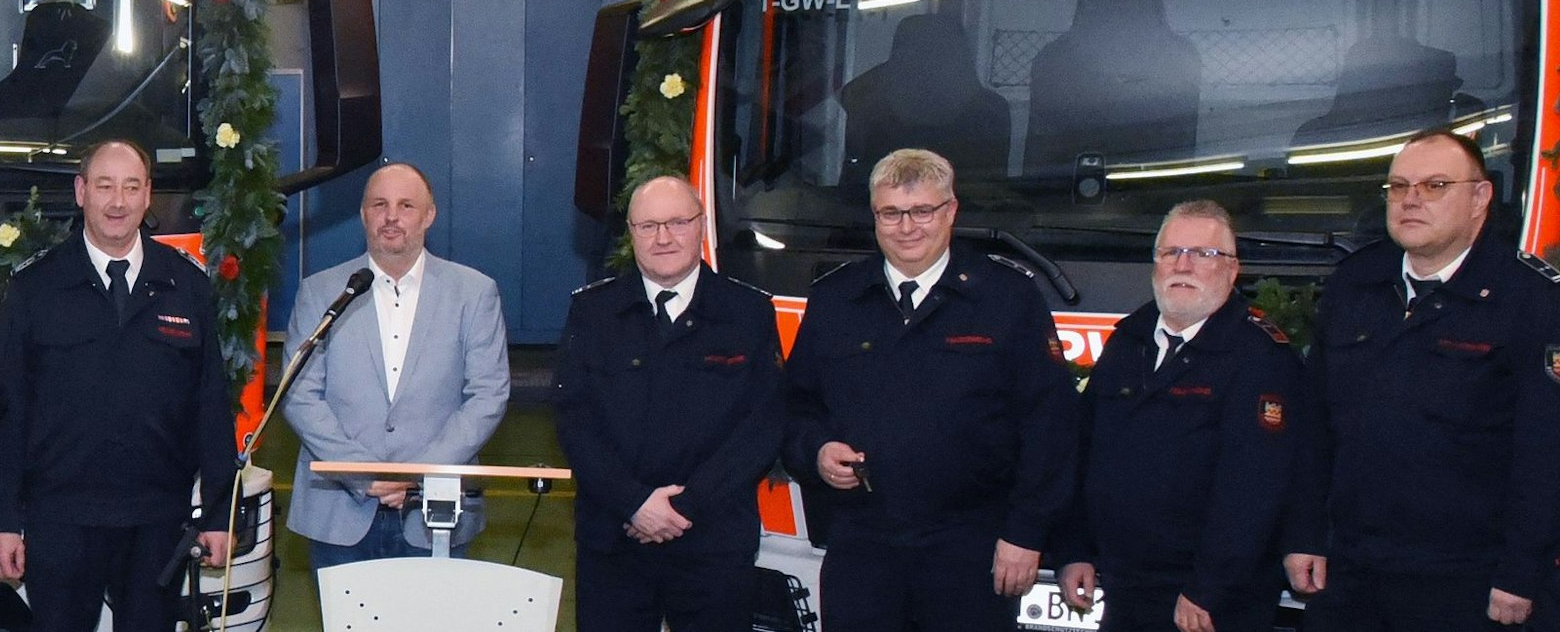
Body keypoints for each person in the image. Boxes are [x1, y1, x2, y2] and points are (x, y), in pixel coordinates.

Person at [784, 148, 1077, 632]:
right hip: (863, 547)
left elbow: (1050, 425)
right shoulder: (836, 299)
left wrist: (1026, 532)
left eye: (921, 211)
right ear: (874, 215)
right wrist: (816, 452)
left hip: (970, 547)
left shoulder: (1006, 298)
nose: (906, 227)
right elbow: (796, 406)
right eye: (891, 213)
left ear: (950, 211)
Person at [1285, 128, 1560, 631]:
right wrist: (1305, 533)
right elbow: (1315, 427)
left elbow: (1545, 452)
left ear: (1480, 198)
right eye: (1398, 186)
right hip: (1352, 568)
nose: (1410, 200)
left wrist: (1521, 571)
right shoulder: (1356, 283)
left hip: (1465, 579)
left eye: (1435, 186)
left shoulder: (1531, 301)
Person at [0, 139, 235, 632]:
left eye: (131, 187)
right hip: (61, 518)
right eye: (104, 186)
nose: (118, 202)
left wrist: (217, 516)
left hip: (157, 519)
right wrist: (2, 522)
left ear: (148, 195)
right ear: (81, 192)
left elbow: (210, 406)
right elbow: (9, 413)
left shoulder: (186, 284)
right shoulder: (36, 287)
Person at [1055, 200, 1301, 632]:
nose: (1182, 265)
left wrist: (1208, 586)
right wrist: (1075, 550)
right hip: (1126, 585)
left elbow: (1254, 490)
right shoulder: (1129, 341)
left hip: (1207, 600)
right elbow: (1084, 451)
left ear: (1232, 269)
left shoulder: (1260, 357)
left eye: (1203, 254)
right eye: (1171, 252)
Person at [554, 174, 786, 631]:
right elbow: (574, 420)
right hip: (615, 540)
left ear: (701, 225)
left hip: (714, 541)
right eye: (648, 226)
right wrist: (634, 503)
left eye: (678, 223)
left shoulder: (747, 312)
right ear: (631, 232)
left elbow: (762, 426)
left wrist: (684, 507)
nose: (663, 238)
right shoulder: (594, 312)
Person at [283, 162, 511, 566]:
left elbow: (488, 395)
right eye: (379, 205)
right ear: (363, 215)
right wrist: (362, 472)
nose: (391, 216)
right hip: (338, 513)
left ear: (429, 215)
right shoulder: (321, 292)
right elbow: (298, 394)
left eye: (406, 205)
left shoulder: (474, 293)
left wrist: (417, 472)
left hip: (436, 512)